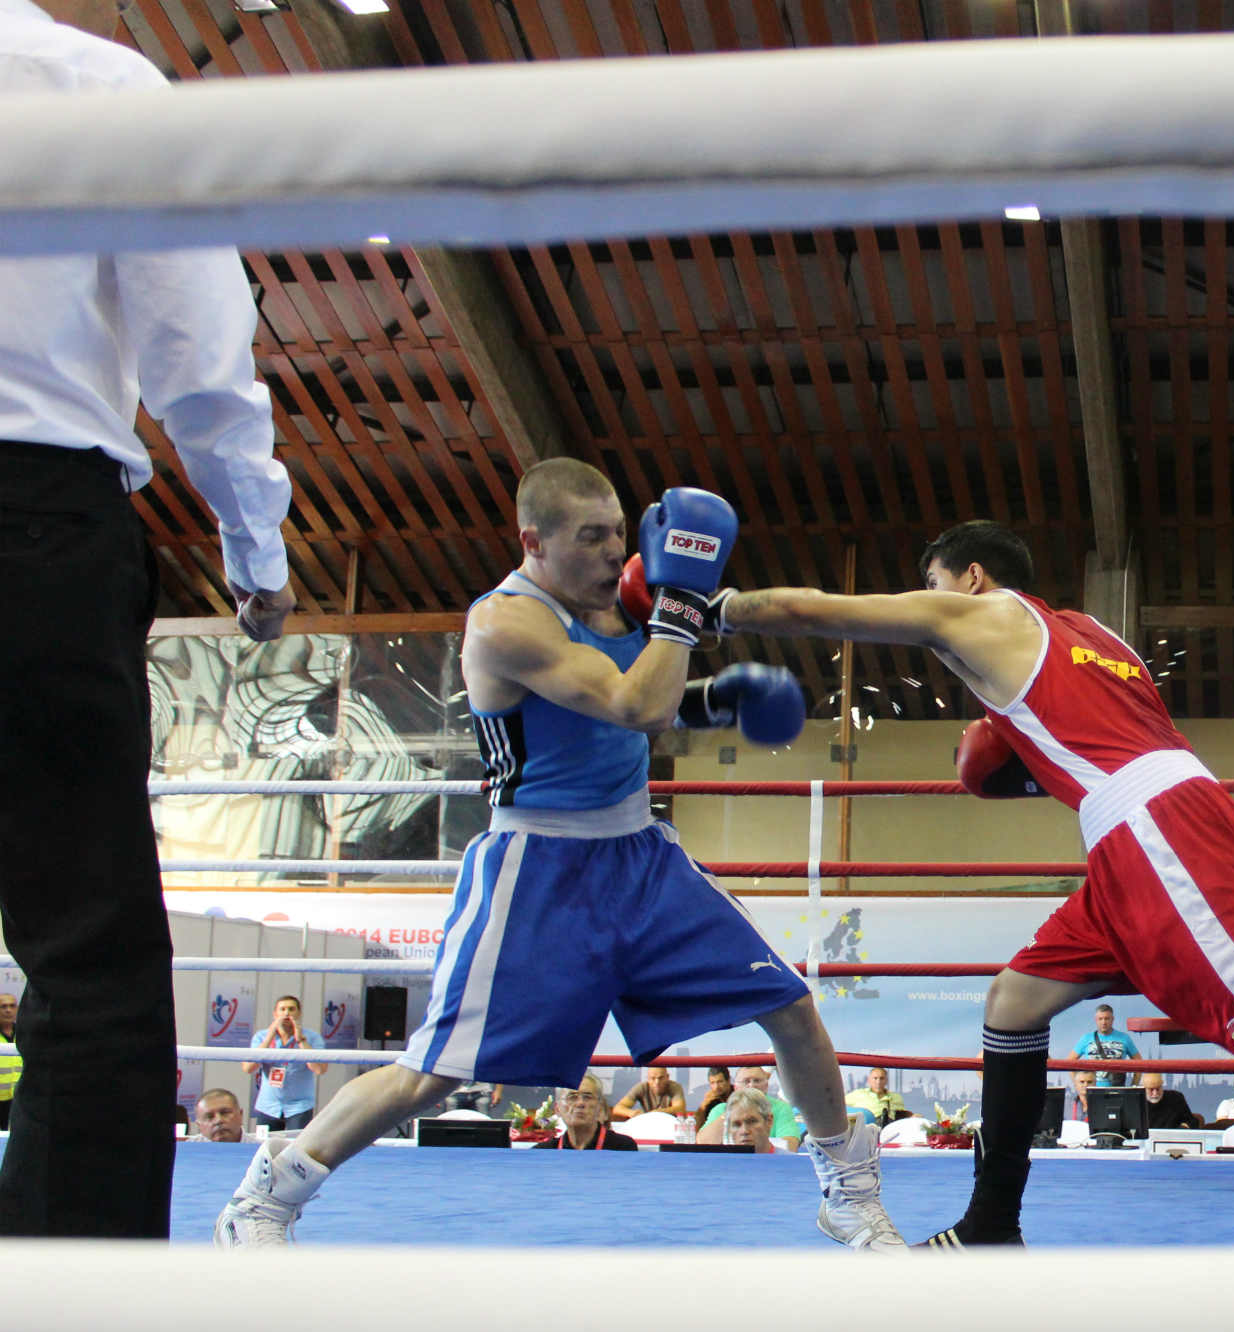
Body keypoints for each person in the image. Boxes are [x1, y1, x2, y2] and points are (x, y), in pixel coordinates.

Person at [713, 519, 1234, 1245]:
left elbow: (837, 614)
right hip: (1133, 837)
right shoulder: (1096, 637)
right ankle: (991, 1224)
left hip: (1161, 840)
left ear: (970, 578)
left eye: (939, 586)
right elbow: (1091, 744)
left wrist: (726, 608)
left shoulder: (985, 615)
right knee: (1012, 1002)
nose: (935, 607)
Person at [214, 462, 901, 1249]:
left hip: (642, 856)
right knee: (432, 1072)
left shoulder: (625, 599)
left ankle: (848, 1193)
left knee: (789, 1005)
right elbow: (631, 701)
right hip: (539, 866)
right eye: (592, 537)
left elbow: (647, 709)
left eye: (618, 529)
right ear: (533, 542)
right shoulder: (506, 624)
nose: (616, 551)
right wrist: (678, 608)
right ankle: (270, 1194)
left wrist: (715, 699)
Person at [0, 0, 297, 1239]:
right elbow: (199, 355)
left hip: (45, 508)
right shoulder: (91, 81)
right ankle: (76, 1303)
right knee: (90, 940)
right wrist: (256, 551)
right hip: (35, 518)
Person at [240, 996, 328, 1133]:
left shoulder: (312, 1037)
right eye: (282, 1009)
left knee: (297, 1146)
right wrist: (269, 1037)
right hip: (268, 1105)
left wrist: (301, 1041)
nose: (287, 1013)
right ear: (275, 1014)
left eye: (291, 1009)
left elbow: (320, 1069)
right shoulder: (261, 1037)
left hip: (299, 1106)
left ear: (299, 1013)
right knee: (263, 1147)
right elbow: (248, 1068)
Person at [532, 1075, 637, 1152]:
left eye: (587, 1097)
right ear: (557, 1109)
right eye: (572, 1097)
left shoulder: (622, 1148)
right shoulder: (544, 1152)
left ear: (600, 1107)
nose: (580, 1103)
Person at [1071, 1005, 1140, 1088]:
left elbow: (1139, 1063)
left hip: (1118, 1089)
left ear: (1112, 1019)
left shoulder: (1124, 1038)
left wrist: (1134, 1087)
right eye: (1100, 1019)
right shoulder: (1086, 1039)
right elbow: (1070, 1062)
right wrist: (1078, 1085)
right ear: (1096, 1020)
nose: (1103, 1022)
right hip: (1093, 1090)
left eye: (1107, 1018)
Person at [696, 1088, 777, 1152]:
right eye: (736, 1125)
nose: (744, 1131)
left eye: (752, 1122)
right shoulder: (722, 1167)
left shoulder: (787, 1161)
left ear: (769, 1121)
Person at [844, 1066, 913, 1126]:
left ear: (886, 1080)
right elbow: (838, 1103)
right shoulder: (858, 1094)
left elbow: (902, 1116)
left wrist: (912, 1116)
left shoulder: (896, 1097)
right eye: (875, 1078)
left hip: (889, 1131)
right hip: (867, 1132)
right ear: (869, 1080)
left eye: (881, 1078)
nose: (878, 1082)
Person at [614, 1064, 687, 1119]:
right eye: (653, 1078)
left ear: (667, 1077)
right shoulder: (641, 1087)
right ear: (648, 1079)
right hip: (648, 1124)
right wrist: (632, 1113)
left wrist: (657, 1112)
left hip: (671, 1124)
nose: (657, 1082)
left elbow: (680, 1109)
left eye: (661, 1078)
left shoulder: (675, 1087)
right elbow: (617, 1109)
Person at [0, 992, 19, 1132]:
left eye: (12, 1006)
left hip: (19, 1098)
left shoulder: (25, 1033)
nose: (8, 1010)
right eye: (3, 1006)